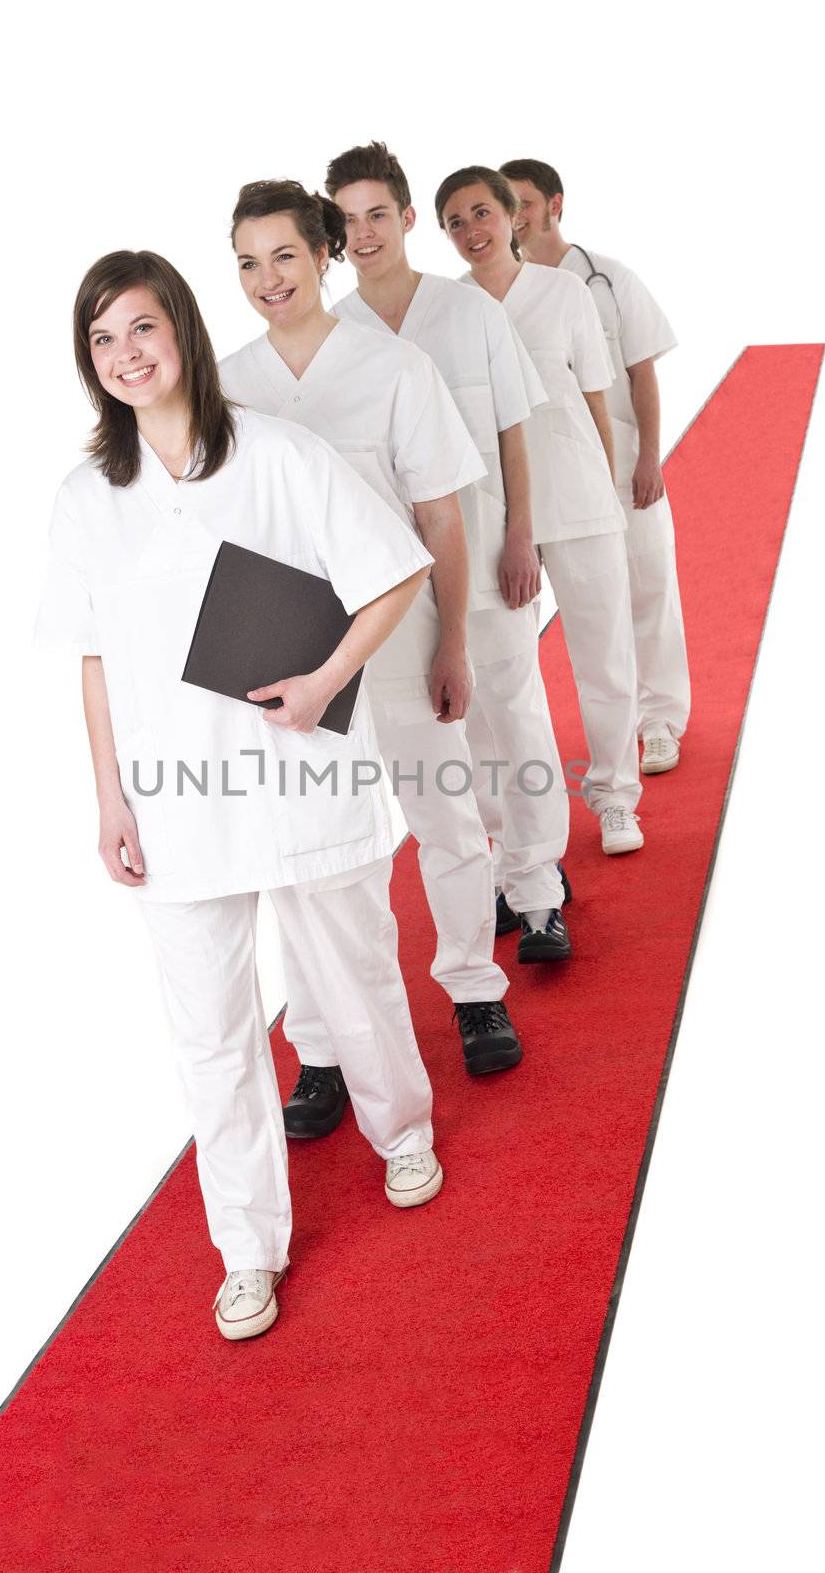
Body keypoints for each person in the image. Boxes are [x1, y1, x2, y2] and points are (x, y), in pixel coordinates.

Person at [34, 250, 445, 1342]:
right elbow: (90, 660)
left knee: (352, 974)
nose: (126, 355)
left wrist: (322, 681)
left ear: (183, 332)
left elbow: (393, 570)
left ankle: (402, 1131)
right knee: (210, 1035)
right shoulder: (89, 498)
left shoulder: (275, 453)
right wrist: (111, 799)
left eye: (142, 329)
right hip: (174, 804)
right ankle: (247, 1248)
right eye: (102, 340)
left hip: (299, 773)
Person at [220, 179, 526, 1136]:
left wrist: (457, 641)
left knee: (442, 816)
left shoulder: (394, 369)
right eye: (246, 262)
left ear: (324, 255)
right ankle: (320, 1047)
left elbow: (441, 515)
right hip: (283, 650)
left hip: (393, 634)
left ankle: (474, 986)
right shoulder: (227, 382)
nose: (267, 278)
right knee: (305, 859)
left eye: (284, 256)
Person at [324, 140, 573, 964]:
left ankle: (539, 890)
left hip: (487, 545)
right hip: (392, 580)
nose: (363, 233)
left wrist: (521, 534)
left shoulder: (470, 314)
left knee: (514, 712)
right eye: (346, 220)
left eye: (375, 216)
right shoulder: (333, 338)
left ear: (403, 220)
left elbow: (513, 430)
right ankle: (497, 871)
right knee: (449, 734)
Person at [436, 166, 645, 858]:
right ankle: (515, 829)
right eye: (455, 221)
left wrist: (609, 489)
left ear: (511, 216)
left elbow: (593, 397)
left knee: (603, 657)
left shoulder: (564, 294)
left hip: (580, 496)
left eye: (481, 213)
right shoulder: (446, 310)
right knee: (503, 677)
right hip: (496, 517)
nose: (471, 230)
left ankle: (614, 797)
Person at [500, 157, 689, 774]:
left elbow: (641, 372)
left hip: (623, 453)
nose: (516, 214)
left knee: (647, 585)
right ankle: (593, 734)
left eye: (525, 201)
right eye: (507, 203)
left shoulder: (608, 278)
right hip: (538, 468)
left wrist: (650, 460)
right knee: (564, 615)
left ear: (556, 204)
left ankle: (659, 719)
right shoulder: (490, 289)